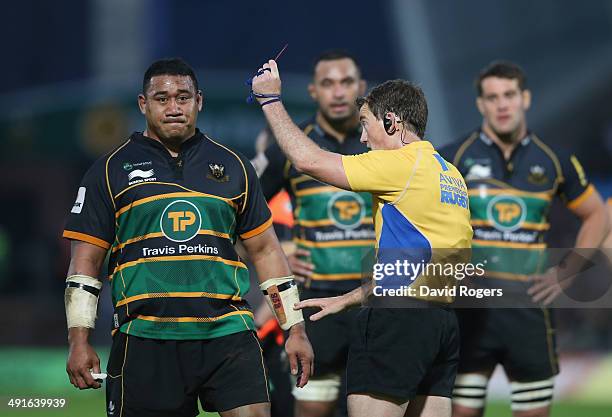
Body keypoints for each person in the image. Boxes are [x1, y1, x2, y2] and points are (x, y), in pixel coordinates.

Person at [62, 58, 313, 417]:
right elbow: (84, 265)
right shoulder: (108, 170)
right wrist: (79, 340)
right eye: (162, 98)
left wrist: (295, 328)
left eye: (183, 97)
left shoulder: (234, 166)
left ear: (199, 101)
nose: (174, 107)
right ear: (142, 104)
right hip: (146, 337)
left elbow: (267, 252)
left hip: (229, 333)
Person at [250, 59, 473, 417]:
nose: (363, 138)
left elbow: (307, 161)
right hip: (440, 324)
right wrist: (351, 298)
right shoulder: (449, 173)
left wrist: (270, 101)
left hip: (396, 322)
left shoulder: (401, 164)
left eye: (366, 125)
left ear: (391, 122)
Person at [437, 60, 609, 417]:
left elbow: (598, 213)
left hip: (528, 311)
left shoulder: (554, 161)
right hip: (470, 309)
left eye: (509, 95)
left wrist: (567, 271)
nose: (502, 104)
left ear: (525, 98)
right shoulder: (453, 158)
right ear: (481, 104)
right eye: (492, 97)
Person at [256, 50, 375, 417]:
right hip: (313, 306)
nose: (338, 92)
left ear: (362, 88)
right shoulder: (290, 147)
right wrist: (281, 251)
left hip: (376, 306)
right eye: (328, 83)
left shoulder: (385, 144)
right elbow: (242, 212)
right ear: (312, 91)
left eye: (346, 83)